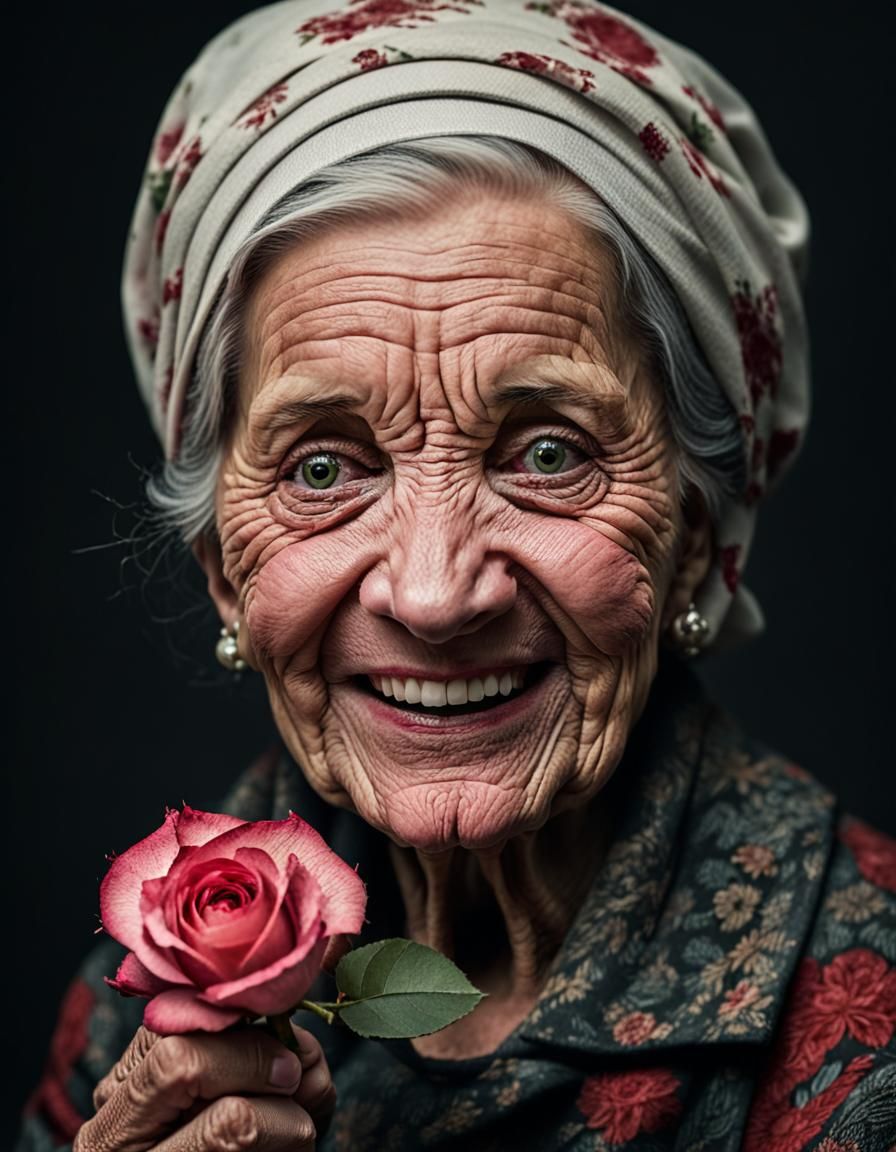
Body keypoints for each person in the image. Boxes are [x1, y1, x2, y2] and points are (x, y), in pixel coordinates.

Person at [15, 0, 895, 1149]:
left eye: (546, 453)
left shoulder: (864, 1022)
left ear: (692, 534)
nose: (434, 596)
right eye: (324, 466)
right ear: (225, 570)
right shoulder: (144, 991)